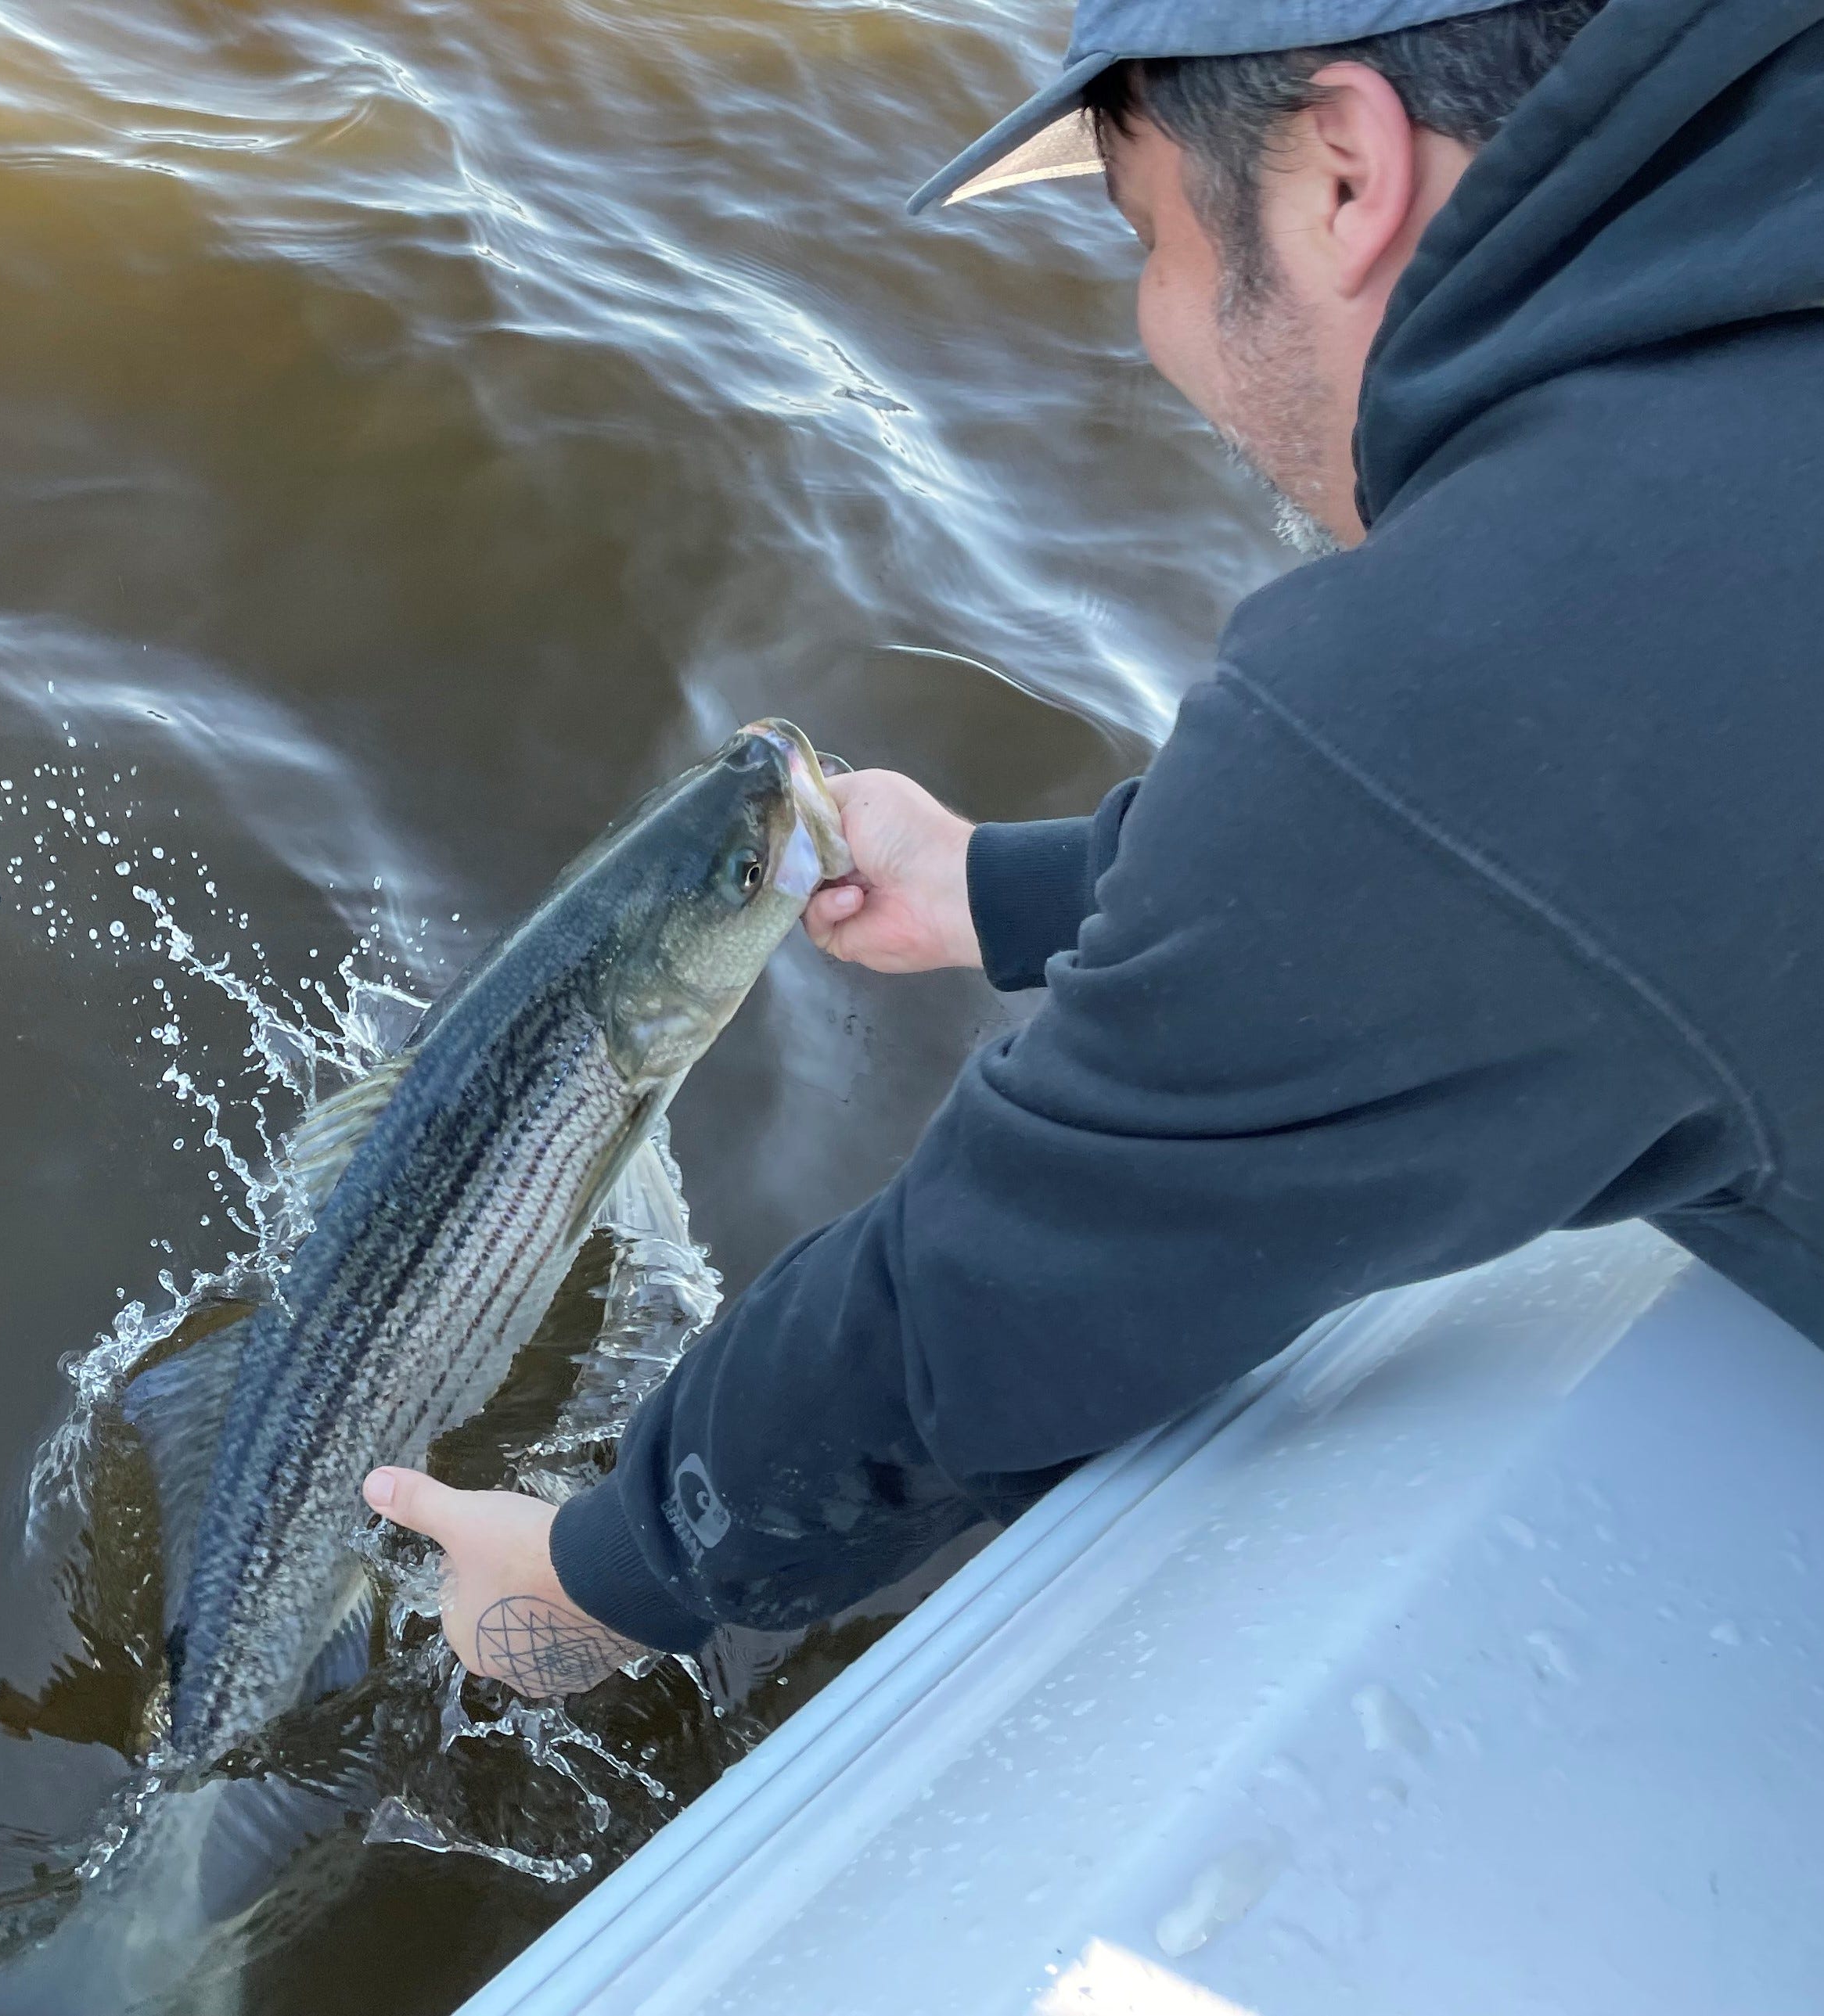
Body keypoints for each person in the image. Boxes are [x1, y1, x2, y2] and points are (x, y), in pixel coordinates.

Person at [365, 0, 1824, 1697]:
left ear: (1345, 175)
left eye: (1147, 239)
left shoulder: (1527, 647)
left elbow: (989, 1304)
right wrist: (1004, 886)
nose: (1153, 325)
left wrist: (592, 1574)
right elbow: (1526, 852)